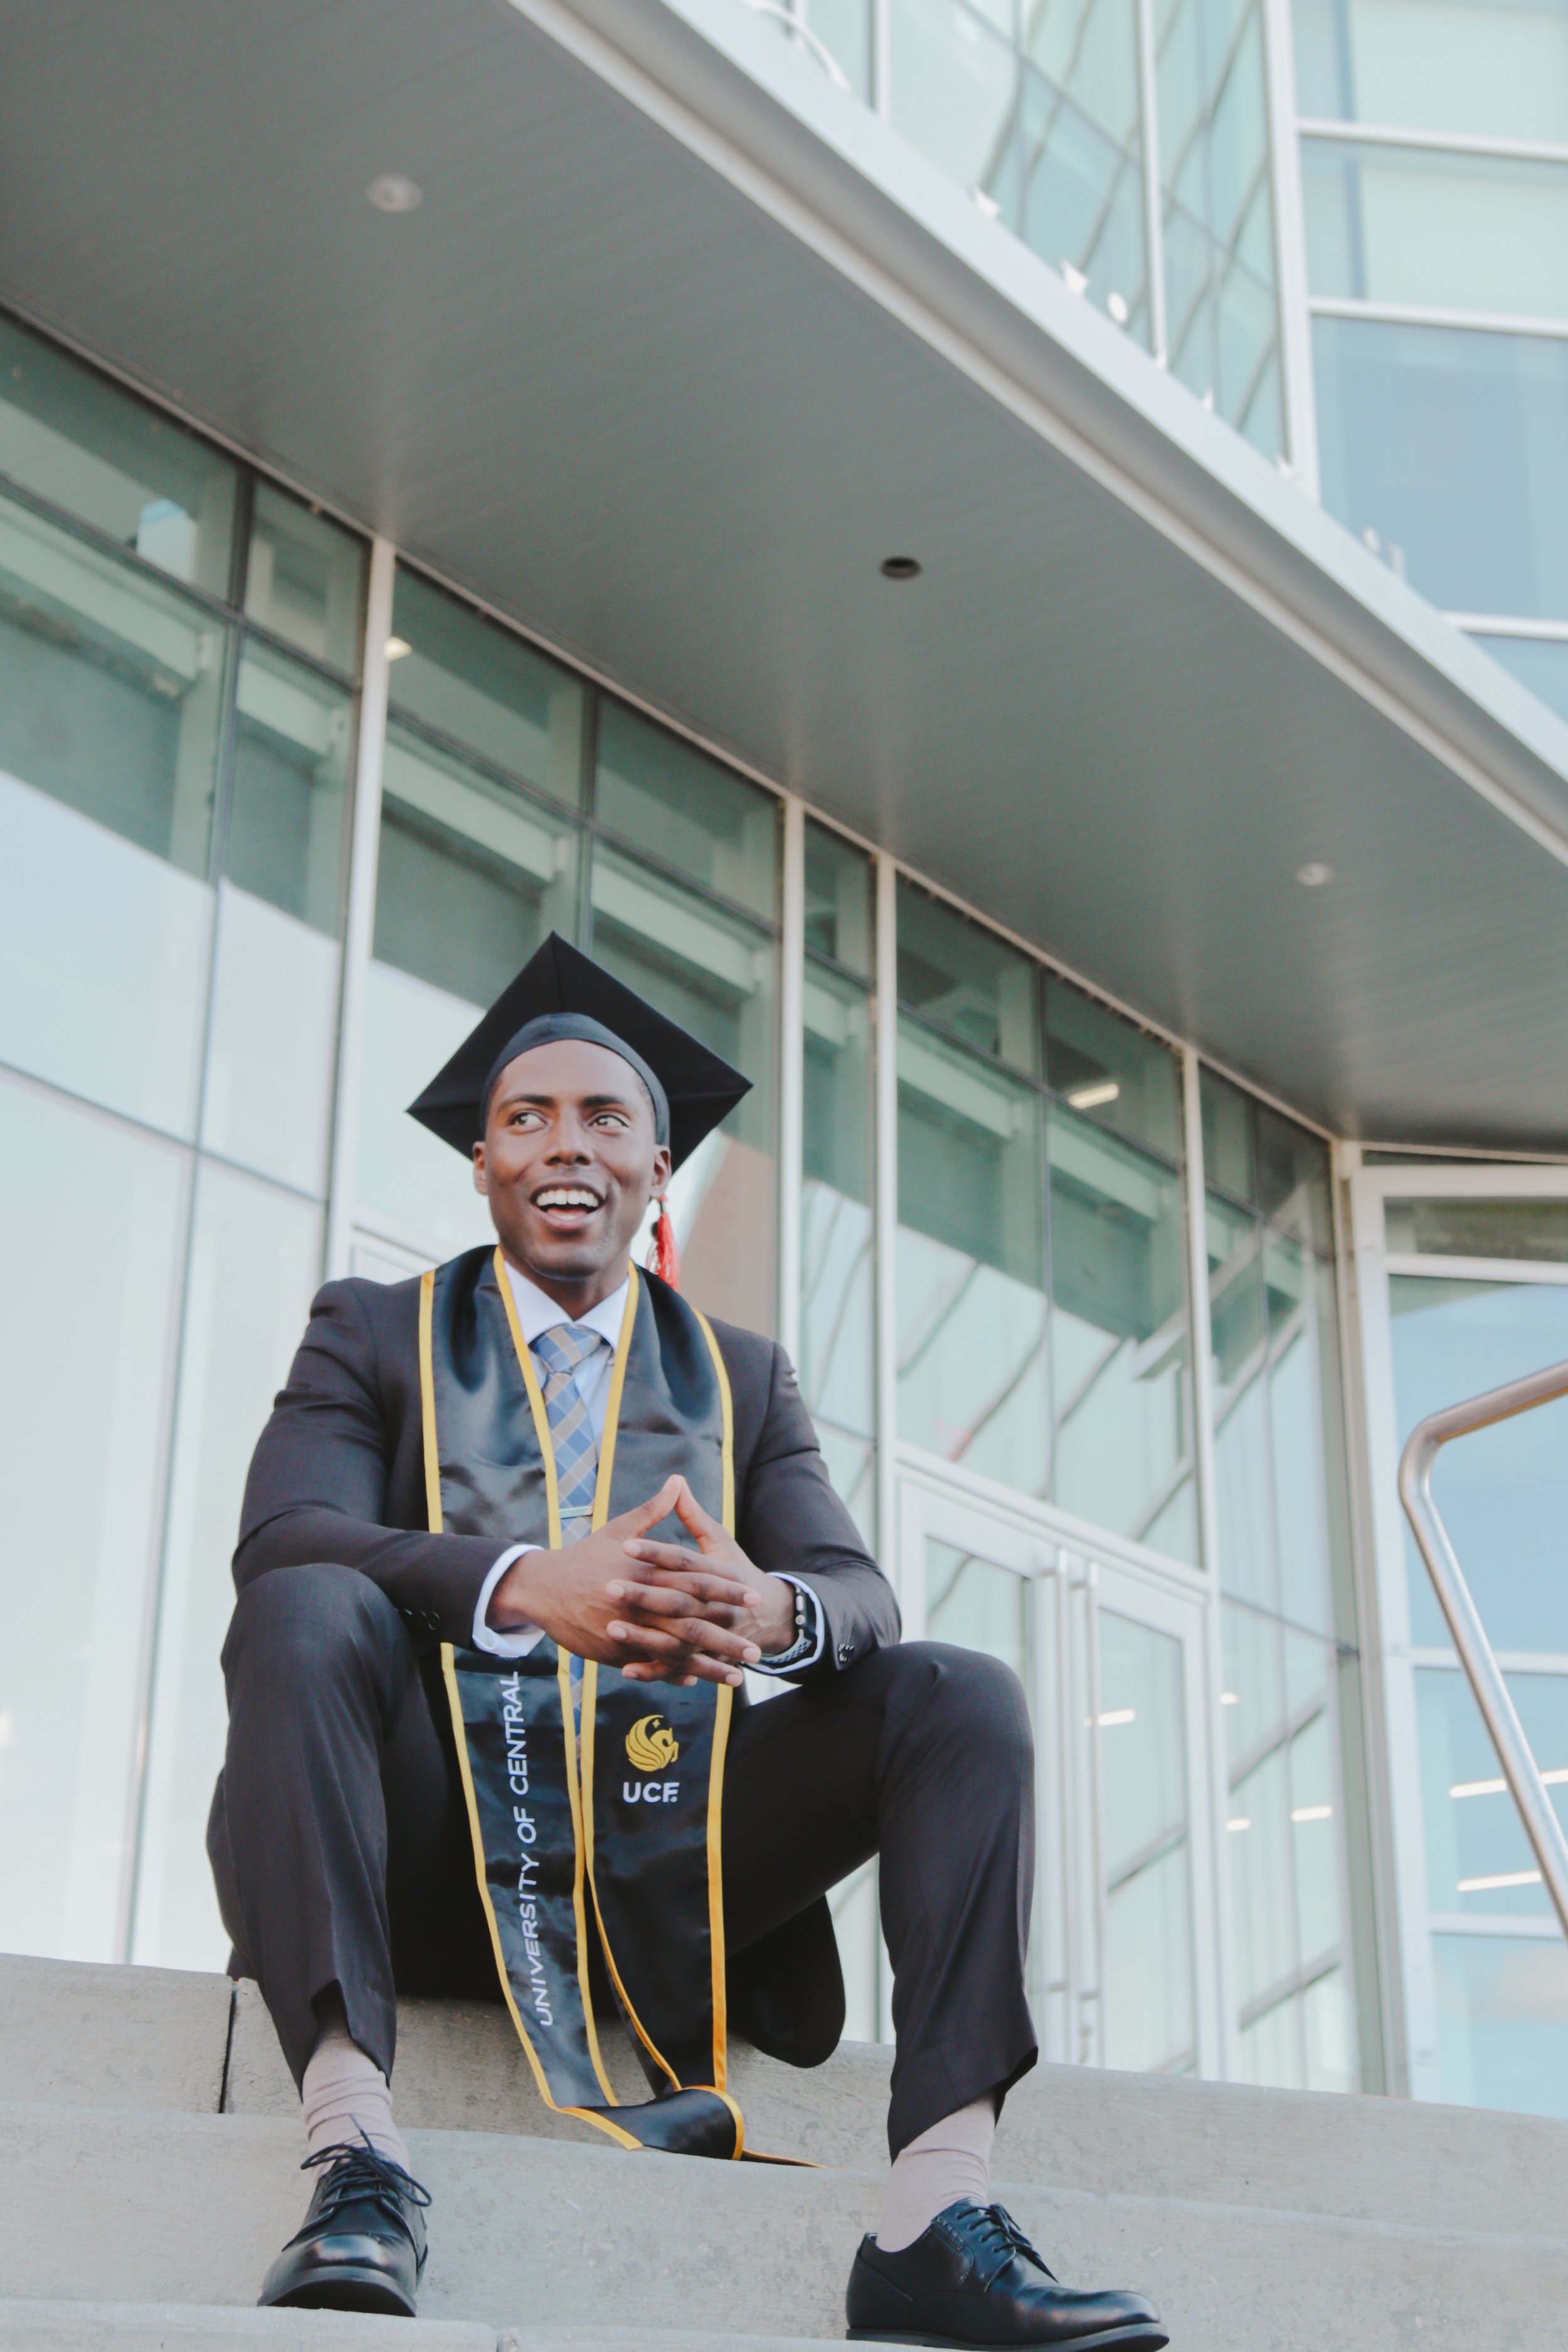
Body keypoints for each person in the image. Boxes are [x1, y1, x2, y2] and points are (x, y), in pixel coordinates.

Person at [208, 934, 1167, 2350]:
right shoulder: (376, 1333)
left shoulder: (741, 1375)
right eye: (525, 1118)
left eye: (607, 1118)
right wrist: (527, 1583)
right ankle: (355, 2156)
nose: (564, 1145)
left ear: (659, 1170)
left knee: (958, 1694)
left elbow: (856, 1588)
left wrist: (775, 1611)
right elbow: (284, 1538)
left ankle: (933, 2212)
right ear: (481, 1165)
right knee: (304, 1598)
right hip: (426, 1865)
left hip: (671, 1879)